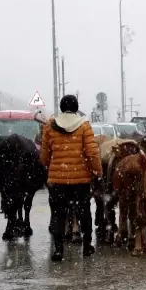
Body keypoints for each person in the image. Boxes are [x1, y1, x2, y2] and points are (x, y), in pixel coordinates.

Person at [41, 95, 103, 261]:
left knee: (58, 214)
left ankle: (59, 249)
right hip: (80, 181)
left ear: (61, 108)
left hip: (57, 181)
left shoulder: (50, 126)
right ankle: (87, 246)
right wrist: (97, 171)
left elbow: (45, 155)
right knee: (84, 212)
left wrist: (50, 168)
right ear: (76, 108)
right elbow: (91, 153)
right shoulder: (84, 126)